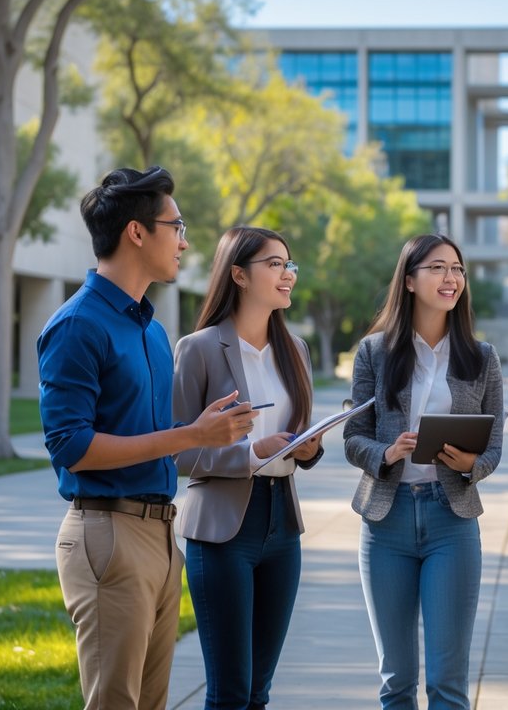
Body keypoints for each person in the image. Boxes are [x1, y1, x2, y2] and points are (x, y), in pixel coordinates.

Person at [39, 166, 251, 710]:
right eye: (175, 226)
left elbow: (159, 438)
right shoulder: (77, 325)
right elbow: (71, 446)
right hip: (107, 533)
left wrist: (214, 436)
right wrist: (188, 433)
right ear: (137, 232)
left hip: (161, 535)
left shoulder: (152, 331)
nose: (184, 241)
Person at [344, 233, 504, 710]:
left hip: (450, 522)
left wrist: (471, 464)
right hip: (385, 521)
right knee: (396, 681)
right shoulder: (374, 352)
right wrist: (388, 454)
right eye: (437, 268)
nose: (450, 277)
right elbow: (354, 438)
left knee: (447, 682)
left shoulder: (482, 357)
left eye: (456, 269)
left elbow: (494, 447)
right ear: (409, 280)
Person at [172, 226, 324, 709]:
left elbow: (299, 440)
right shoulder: (197, 348)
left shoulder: (295, 350)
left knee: (259, 691)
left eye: (289, 264)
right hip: (221, 530)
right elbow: (176, 452)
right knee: (231, 692)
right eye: (275, 264)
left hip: (282, 526)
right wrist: (254, 455)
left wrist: (306, 449)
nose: (288, 274)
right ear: (238, 273)